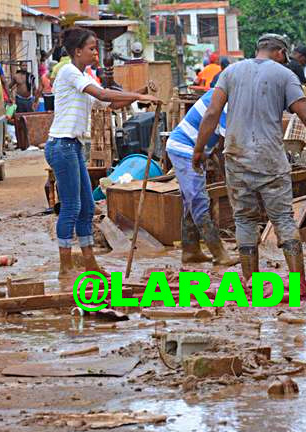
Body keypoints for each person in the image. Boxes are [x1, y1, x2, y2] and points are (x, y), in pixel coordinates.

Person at [191, 33, 306, 291]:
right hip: (270, 160)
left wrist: (199, 150)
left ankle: (251, 284)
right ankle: (298, 285)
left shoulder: (230, 73)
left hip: (237, 157)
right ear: (279, 52)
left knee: (244, 220)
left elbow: (212, 112)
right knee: (284, 220)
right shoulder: (285, 76)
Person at [46, 27, 159, 279]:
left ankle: (89, 263)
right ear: (77, 51)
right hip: (61, 146)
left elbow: (110, 102)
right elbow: (103, 94)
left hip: (72, 147)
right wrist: (139, 94)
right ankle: (65, 265)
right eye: (91, 49)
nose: (96, 53)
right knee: (71, 207)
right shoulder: (69, 72)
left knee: (87, 207)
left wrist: (139, 92)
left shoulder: (84, 76)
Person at [166, 89, 237, 266]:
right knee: (198, 201)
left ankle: (191, 251)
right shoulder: (224, 101)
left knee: (191, 201)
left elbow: (221, 144)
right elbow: (229, 143)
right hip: (184, 149)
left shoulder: (223, 96)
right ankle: (219, 253)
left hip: (193, 151)